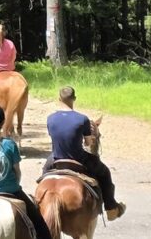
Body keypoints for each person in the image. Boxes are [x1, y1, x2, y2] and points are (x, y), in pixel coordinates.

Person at [42, 86, 126, 221]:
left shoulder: (50, 118)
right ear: (74, 99)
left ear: (59, 99)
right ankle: (111, 208)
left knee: (44, 174)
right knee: (105, 173)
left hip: (56, 158)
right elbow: (87, 143)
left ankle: (40, 204)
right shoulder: (82, 119)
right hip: (79, 159)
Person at [0, 104, 51, 239]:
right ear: (3, 122)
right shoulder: (10, 144)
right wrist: (13, 184)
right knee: (40, 225)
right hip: (11, 191)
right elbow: (17, 172)